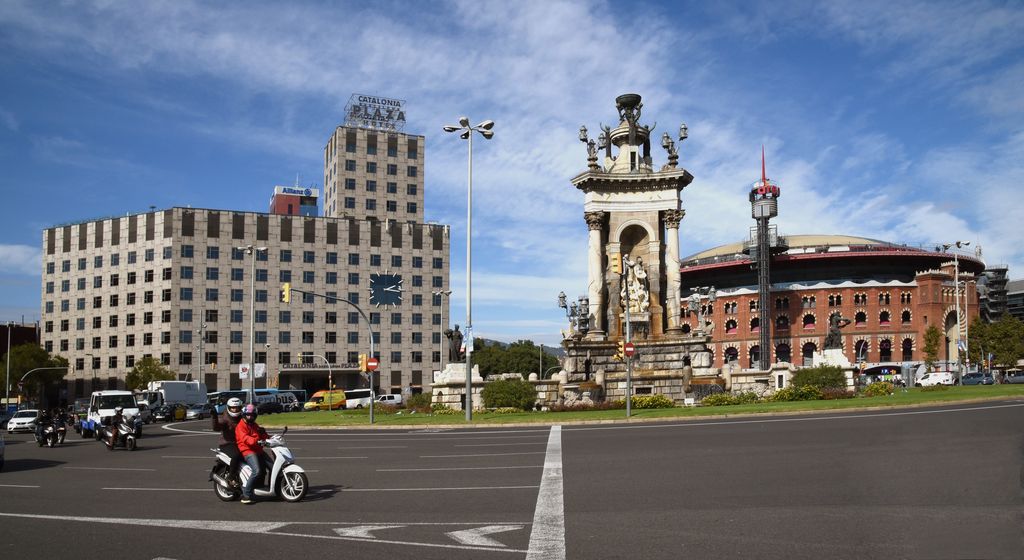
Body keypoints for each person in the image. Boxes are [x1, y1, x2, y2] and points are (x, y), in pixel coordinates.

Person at [235, 403, 269, 504]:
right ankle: (246, 494)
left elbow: (263, 436)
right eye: (248, 414)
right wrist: (256, 441)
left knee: (271, 466)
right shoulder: (241, 426)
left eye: (253, 415)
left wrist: (269, 437)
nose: (251, 416)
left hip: (258, 449)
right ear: (244, 415)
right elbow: (245, 438)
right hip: (247, 450)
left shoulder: (254, 425)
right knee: (257, 471)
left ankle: (261, 488)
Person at [211, 397, 244, 487]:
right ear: (229, 408)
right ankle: (231, 477)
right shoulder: (225, 419)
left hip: (240, 443)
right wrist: (214, 417)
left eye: (237, 408)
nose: (235, 409)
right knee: (237, 455)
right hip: (227, 443)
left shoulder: (242, 418)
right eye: (233, 408)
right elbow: (216, 427)